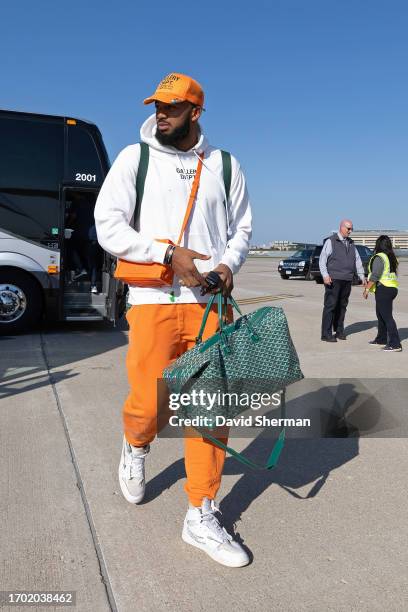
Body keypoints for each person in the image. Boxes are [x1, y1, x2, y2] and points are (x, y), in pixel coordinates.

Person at [94, 73, 252, 567]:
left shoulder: (224, 165)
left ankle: (201, 512)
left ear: (195, 112)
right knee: (149, 403)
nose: (161, 113)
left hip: (209, 307)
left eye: (173, 107)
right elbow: (108, 226)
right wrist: (166, 253)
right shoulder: (133, 159)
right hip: (153, 302)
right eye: (158, 105)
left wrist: (227, 265)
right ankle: (136, 443)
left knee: (208, 410)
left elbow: (242, 227)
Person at [319, 219, 367, 342]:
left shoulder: (351, 243)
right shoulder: (331, 241)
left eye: (351, 229)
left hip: (347, 279)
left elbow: (357, 260)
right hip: (333, 279)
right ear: (341, 227)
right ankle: (326, 333)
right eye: (348, 228)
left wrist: (362, 276)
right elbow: (322, 259)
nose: (350, 231)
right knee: (331, 306)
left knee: (342, 306)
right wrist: (325, 275)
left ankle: (339, 331)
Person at [364, 235, 402, 352]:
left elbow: (375, 275)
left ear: (378, 245)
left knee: (386, 317)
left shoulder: (380, 257)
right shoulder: (391, 257)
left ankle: (395, 344)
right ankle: (381, 338)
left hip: (383, 289)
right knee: (380, 315)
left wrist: (366, 289)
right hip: (391, 288)